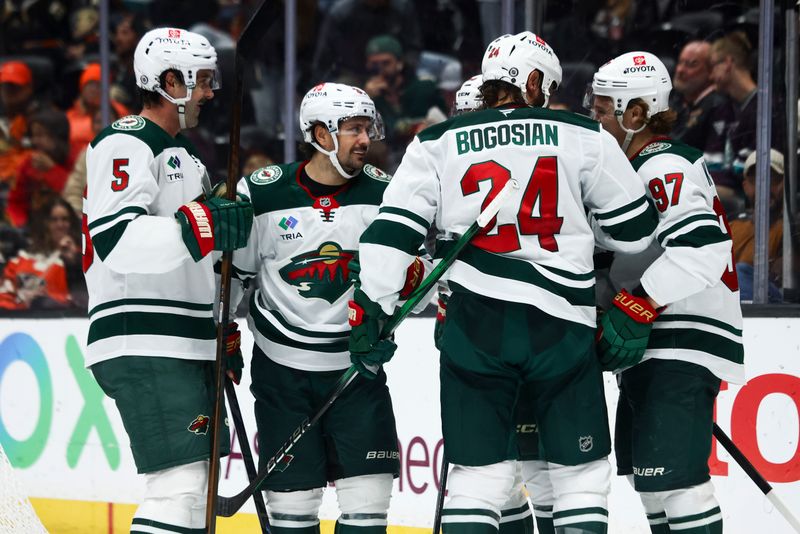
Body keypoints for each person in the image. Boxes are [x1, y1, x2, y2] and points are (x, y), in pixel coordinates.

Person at [349, 31, 659, 534]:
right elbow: (636, 233)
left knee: (478, 479)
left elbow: (390, 236)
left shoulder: (436, 142)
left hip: (473, 326)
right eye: (548, 87)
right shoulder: (584, 134)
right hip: (561, 326)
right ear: (534, 81)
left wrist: (372, 306)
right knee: (578, 476)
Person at [83, 27, 253, 533]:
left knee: (192, 491)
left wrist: (219, 324)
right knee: (177, 490)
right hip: (145, 334)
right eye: (201, 80)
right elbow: (117, 239)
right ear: (170, 81)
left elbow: (196, 258)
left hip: (183, 338)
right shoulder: (127, 141)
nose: (210, 91)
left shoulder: (187, 156)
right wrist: (201, 223)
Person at [586, 51, 745, 534]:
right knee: (654, 486)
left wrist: (639, 303)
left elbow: (702, 249)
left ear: (637, 113)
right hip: (656, 341)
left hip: (681, 336)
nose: (594, 120)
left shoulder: (661, 165)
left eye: (602, 110)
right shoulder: (625, 170)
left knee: (677, 485)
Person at [231, 82, 400, 534]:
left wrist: (392, 312)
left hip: (357, 372)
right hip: (282, 376)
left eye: (368, 128)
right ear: (321, 135)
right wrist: (222, 332)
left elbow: (410, 276)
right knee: (293, 515)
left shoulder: (390, 195)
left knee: (368, 512)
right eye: (353, 129)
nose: (365, 139)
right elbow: (235, 276)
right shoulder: (262, 193)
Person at [706, 31, 785, 214]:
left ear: (727, 63)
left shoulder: (767, 107)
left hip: (746, 196)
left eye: (713, 67)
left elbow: (748, 172)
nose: (710, 77)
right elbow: (710, 163)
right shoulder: (723, 110)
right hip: (724, 189)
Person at [363, 34, 447, 162]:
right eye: (374, 64)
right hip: (388, 162)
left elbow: (448, 122)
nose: (380, 69)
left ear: (400, 63)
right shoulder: (363, 97)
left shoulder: (424, 88)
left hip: (426, 156)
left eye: (386, 63)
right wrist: (366, 100)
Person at [0, 197, 84, 310]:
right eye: (54, 220)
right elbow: (6, 292)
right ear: (44, 223)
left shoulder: (81, 256)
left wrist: (73, 261)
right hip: (20, 316)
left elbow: (82, 294)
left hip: (62, 315)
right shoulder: (24, 257)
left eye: (65, 219)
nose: (60, 225)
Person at [729, 149, 785, 302]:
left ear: (785, 183)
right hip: (726, 304)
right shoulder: (732, 226)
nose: (764, 187)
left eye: (772, 179)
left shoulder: (791, 229)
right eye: (756, 180)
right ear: (746, 186)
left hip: (771, 306)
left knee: (741, 272)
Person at [6, 108, 76, 228]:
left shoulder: (76, 159)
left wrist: (52, 170)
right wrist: (21, 224)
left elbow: (75, 194)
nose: (35, 141)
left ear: (57, 137)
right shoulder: (29, 163)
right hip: (34, 226)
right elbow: (15, 202)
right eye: (34, 136)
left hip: (69, 224)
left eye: (41, 135)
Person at [670, 40, 729, 154]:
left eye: (692, 64)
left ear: (711, 70)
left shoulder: (718, 106)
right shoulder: (675, 103)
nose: (680, 70)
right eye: (680, 62)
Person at [66, 62, 130, 154]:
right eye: (89, 84)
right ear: (82, 87)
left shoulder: (118, 111)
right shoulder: (71, 115)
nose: (93, 90)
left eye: (98, 85)